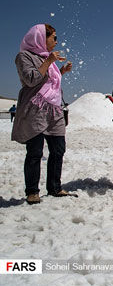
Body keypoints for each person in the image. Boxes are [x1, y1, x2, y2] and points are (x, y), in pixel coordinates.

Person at [11, 24, 73, 204]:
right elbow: (31, 80)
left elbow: (49, 83)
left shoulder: (48, 58)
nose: (56, 41)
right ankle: (32, 191)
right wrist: (48, 62)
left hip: (54, 110)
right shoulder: (24, 56)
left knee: (58, 149)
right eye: (53, 37)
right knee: (35, 152)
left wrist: (61, 71)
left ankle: (54, 187)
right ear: (40, 38)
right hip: (35, 110)